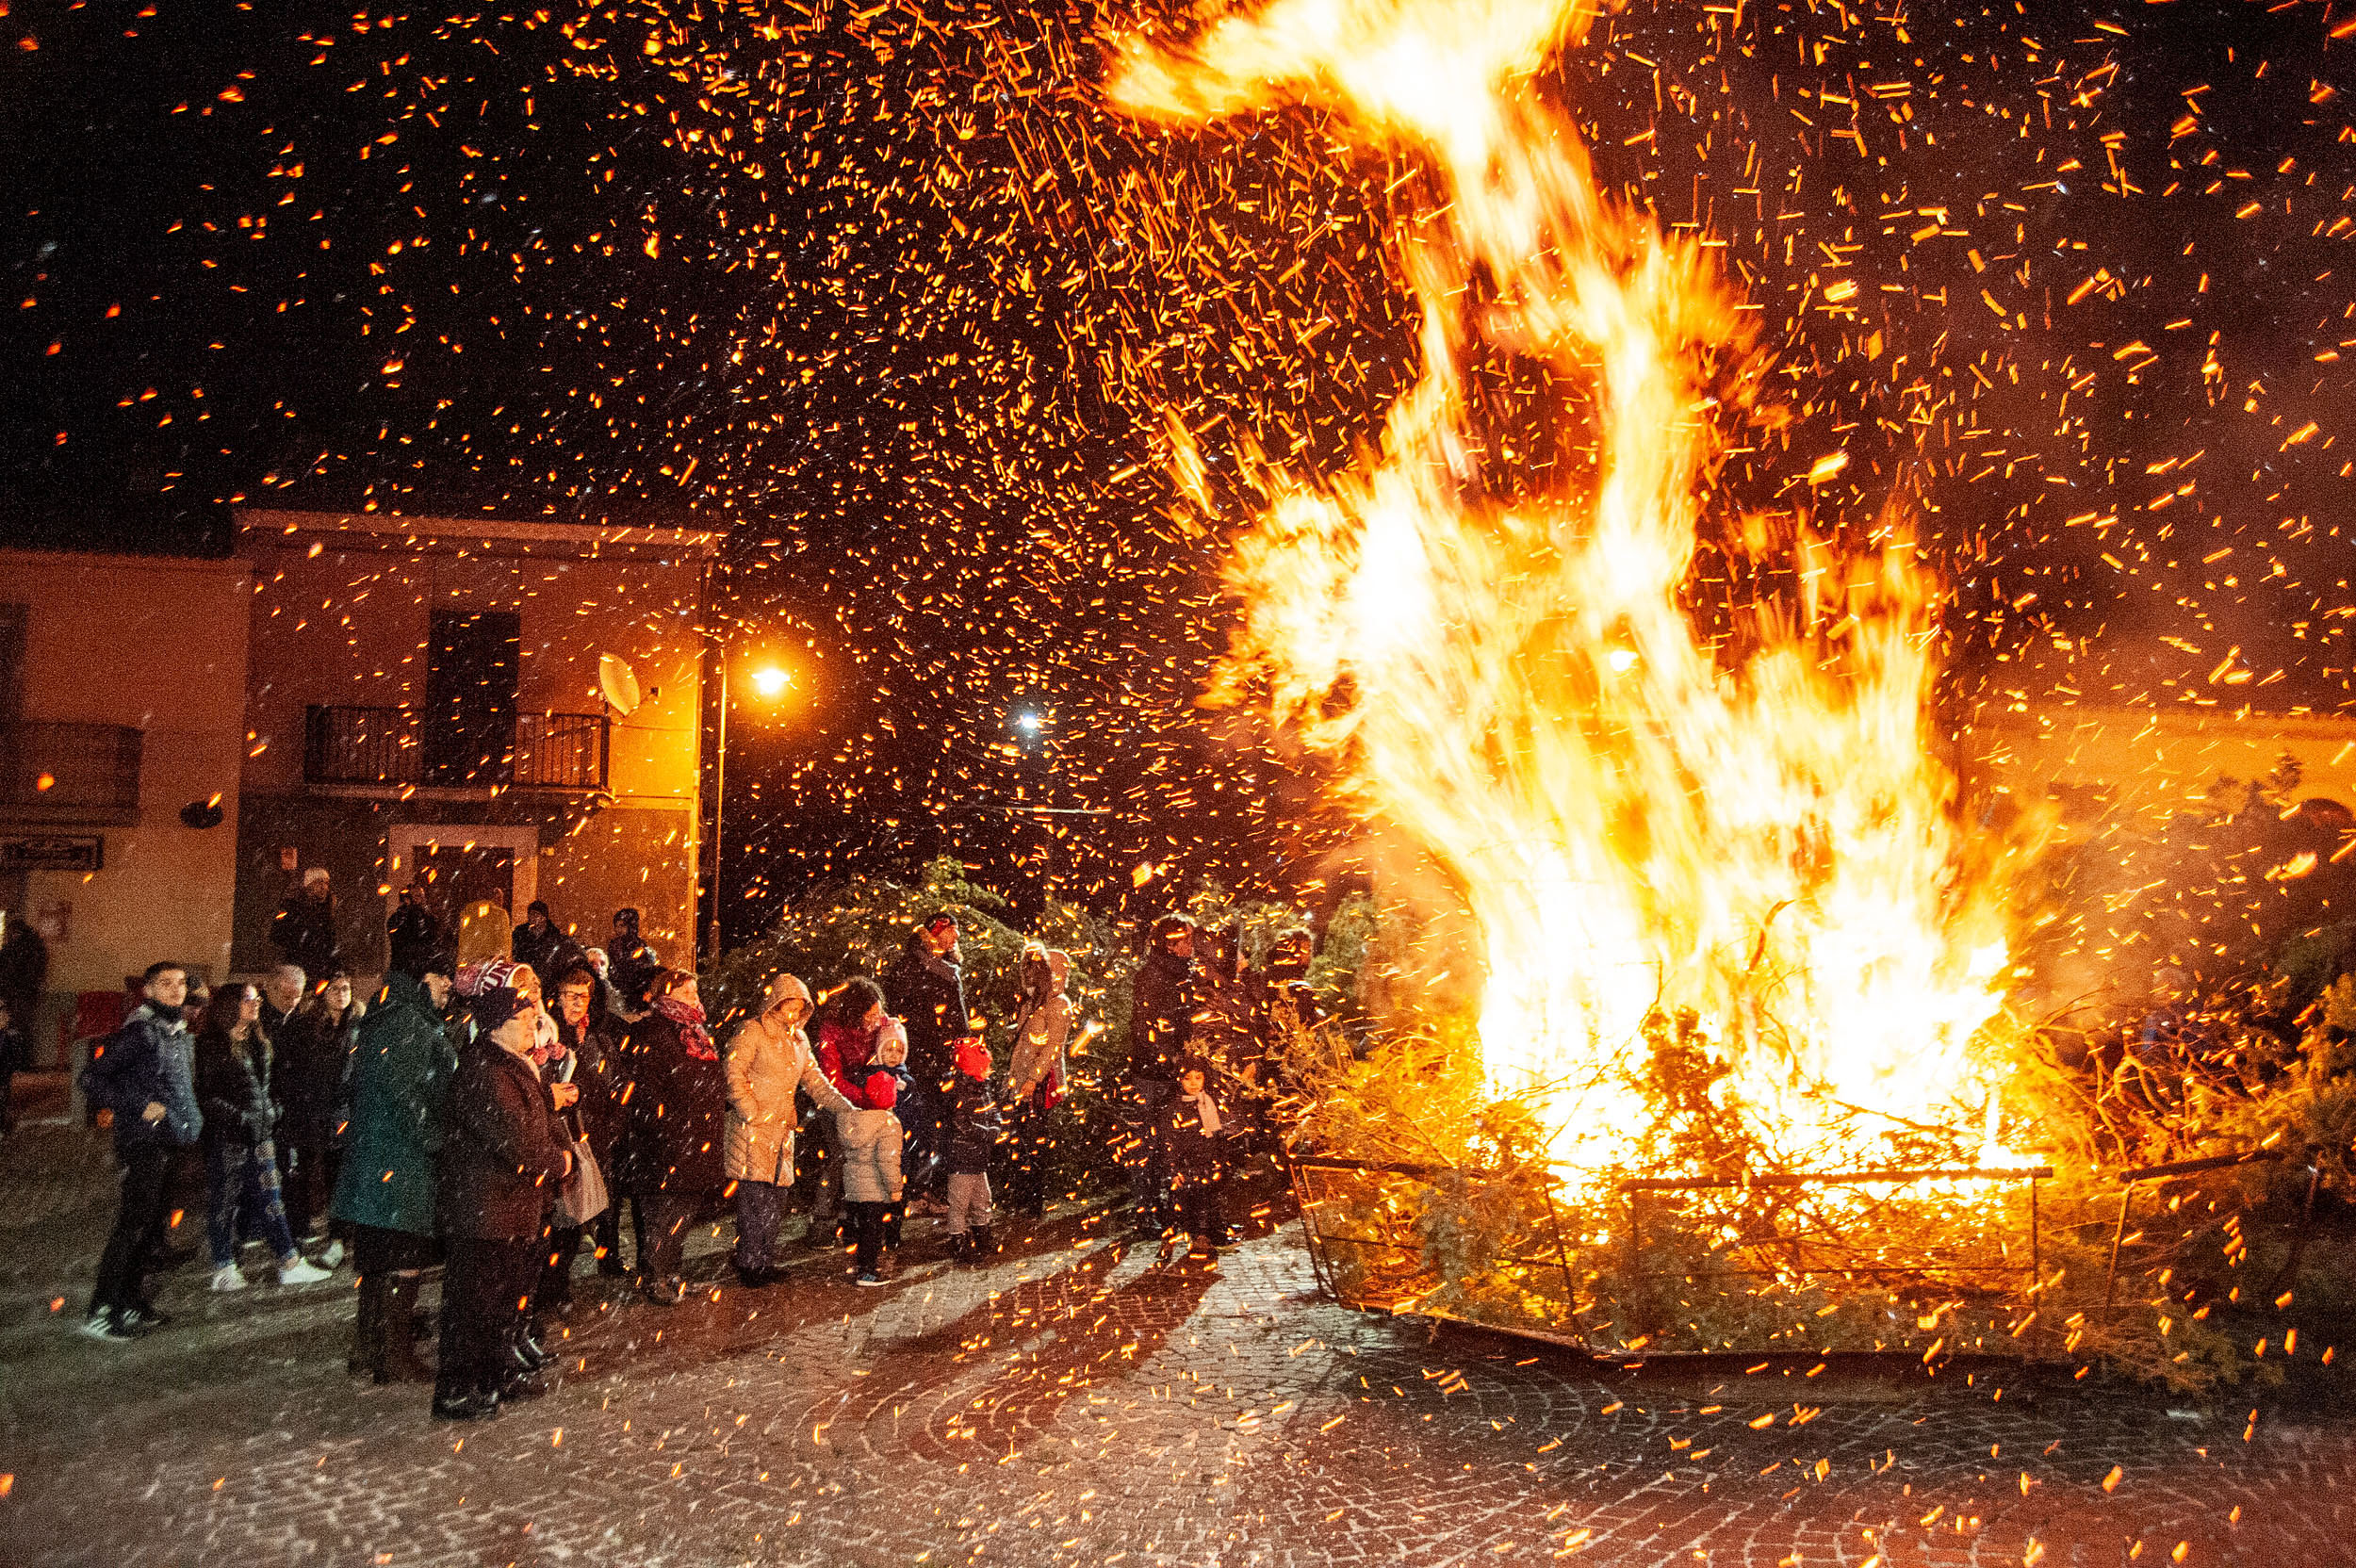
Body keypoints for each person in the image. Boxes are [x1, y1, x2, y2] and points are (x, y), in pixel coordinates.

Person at [434, 984, 571, 1421]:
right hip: (484, 1209)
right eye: (523, 1015)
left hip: (510, 1207)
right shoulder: (485, 1070)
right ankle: (458, 1389)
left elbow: (534, 1122)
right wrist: (559, 1161)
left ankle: (496, 1376)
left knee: (502, 1300)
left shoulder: (513, 1064)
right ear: (499, 1026)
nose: (535, 1020)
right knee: (473, 1304)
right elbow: (515, 1140)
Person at [332, 948, 456, 1384]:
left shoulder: (384, 1017)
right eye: (444, 978)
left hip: (374, 1163)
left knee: (376, 1259)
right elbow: (411, 1100)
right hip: (400, 1164)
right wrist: (439, 1140)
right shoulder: (410, 1024)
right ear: (425, 978)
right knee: (404, 1259)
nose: (449, 988)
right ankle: (394, 1357)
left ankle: (368, 1350)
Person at [79, 961, 203, 1339]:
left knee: (151, 1229)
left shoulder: (178, 1032)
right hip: (142, 1142)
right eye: (164, 984)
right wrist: (137, 1104)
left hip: (169, 1141)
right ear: (147, 991)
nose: (175, 989)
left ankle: (130, 1302)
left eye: (180, 983)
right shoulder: (140, 1033)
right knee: (132, 1227)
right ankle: (101, 1310)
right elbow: (92, 1078)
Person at [194, 984, 334, 1294]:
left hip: (263, 1134)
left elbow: (266, 1086)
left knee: (272, 1201)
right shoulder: (213, 1044)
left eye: (257, 998)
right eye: (248, 999)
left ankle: (289, 1263)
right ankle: (223, 1266)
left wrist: (273, 1110)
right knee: (225, 1202)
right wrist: (241, 1118)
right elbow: (207, 1095)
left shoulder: (259, 1040)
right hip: (227, 1138)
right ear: (230, 1005)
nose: (255, 1003)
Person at [725, 973, 853, 1285]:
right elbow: (733, 1074)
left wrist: (847, 1107)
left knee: (777, 1199)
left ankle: (763, 1260)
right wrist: (751, 1112)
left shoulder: (799, 1041)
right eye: (788, 1008)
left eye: (799, 1009)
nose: (794, 1015)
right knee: (755, 1197)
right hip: (753, 1129)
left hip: (781, 1130)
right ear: (775, 1006)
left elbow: (815, 1081)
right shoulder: (752, 1032)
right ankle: (750, 1264)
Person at [622, 969, 725, 1305]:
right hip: (665, 1140)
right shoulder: (653, 1031)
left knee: (683, 1211)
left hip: (696, 1135)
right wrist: (667, 1127)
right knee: (661, 1212)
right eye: (686, 992)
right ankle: (654, 1276)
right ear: (667, 996)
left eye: (695, 990)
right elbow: (647, 1088)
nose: (695, 997)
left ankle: (673, 1272)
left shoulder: (695, 1031)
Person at [547, 962, 628, 1291]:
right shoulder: (550, 1039)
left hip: (600, 1135)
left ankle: (608, 1258)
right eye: (571, 995)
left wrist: (615, 1120)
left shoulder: (599, 1039)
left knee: (606, 1202)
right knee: (567, 1216)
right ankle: (555, 1282)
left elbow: (617, 1084)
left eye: (584, 995)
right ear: (559, 996)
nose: (578, 1002)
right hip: (568, 1136)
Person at [884, 911, 973, 1210]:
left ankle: (917, 1190)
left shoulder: (921, 966)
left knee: (925, 1126)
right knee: (925, 1126)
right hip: (924, 1061)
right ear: (935, 933)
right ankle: (919, 1191)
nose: (956, 937)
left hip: (923, 1060)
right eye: (951, 931)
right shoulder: (929, 971)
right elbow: (957, 1023)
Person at [1125, 914, 1199, 1236]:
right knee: (1148, 1145)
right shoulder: (1153, 975)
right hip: (1151, 1074)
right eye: (1189, 940)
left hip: (1173, 1072)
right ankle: (1145, 1213)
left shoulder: (1184, 974)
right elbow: (1143, 1027)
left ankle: (1170, 1208)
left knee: (1174, 1144)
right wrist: (1168, 1059)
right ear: (1173, 942)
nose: (1193, 947)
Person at [284, 972, 363, 1265]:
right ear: (323, 993)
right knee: (304, 1172)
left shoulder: (357, 1025)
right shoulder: (308, 1026)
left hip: (342, 1111)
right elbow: (298, 1067)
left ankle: (339, 1238)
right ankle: (300, 1230)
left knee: (338, 1176)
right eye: (335, 989)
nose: (342, 994)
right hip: (312, 1109)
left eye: (346, 988)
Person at [809, 976, 892, 1248]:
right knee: (838, 1158)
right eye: (870, 1014)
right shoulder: (831, 1031)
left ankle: (852, 1218)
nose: (876, 1019)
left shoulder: (880, 1024)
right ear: (855, 1013)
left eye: (878, 1012)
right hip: (835, 1101)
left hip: (867, 1100)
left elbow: (894, 1040)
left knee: (864, 1159)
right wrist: (862, 1098)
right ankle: (821, 1221)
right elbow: (832, 1078)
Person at [1006, 944, 1071, 1219]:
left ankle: (1033, 1200)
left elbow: (1054, 1046)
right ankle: (1020, 1196)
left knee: (1035, 1140)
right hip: (1021, 1078)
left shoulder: (1058, 1004)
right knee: (1019, 1140)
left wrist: (1034, 1079)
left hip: (1040, 1082)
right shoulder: (1032, 1000)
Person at [834, 1064, 904, 1286]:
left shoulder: (852, 1120)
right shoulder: (889, 1124)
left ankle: (857, 1260)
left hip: (854, 1186)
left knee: (859, 1225)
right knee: (872, 1232)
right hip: (874, 1189)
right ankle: (867, 1272)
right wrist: (895, 1188)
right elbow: (888, 1160)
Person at [1157, 1056, 1230, 1266]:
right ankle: (1168, 1239)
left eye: (1198, 1078)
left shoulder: (1208, 1103)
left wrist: (1218, 1160)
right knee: (1177, 1202)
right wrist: (1172, 1169)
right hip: (1182, 1164)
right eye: (1188, 1078)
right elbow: (1167, 1141)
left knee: (1202, 1199)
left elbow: (1216, 1135)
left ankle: (1201, 1238)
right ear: (1180, 1081)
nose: (1194, 1083)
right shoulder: (1173, 1109)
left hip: (1204, 1162)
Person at [943, 1037, 1000, 1265]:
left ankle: (982, 1233)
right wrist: (986, 1133)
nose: (989, 1070)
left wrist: (996, 1124)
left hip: (978, 1158)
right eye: (985, 1066)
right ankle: (957, 1240)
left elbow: (992, 1110)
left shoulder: (982, 1088)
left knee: (982, 1198)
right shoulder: (959, 1091)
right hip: (962, 1158)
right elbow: (961, 1123)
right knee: (959, 1203)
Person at [271, 868, 342, 978]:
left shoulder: (328, 912)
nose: (324, 887)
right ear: (308, 886)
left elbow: (332, 943)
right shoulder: (293, 908)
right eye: (319, 882)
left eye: (326, 883)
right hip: (298, 971)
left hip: (322, 973)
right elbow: (278, 936)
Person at [0, 911, 49, 1054]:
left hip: (17, 993)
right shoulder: (34, 946)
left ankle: (17, 1059)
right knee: (20, 1028)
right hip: (25, 994)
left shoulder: (16, 949)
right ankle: (22, 1059)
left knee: (15, 1027)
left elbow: (9, 970)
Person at [606, 907, 662, 1006]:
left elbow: (645, 970)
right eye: (616, 926)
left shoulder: (640, 945)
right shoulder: (614, 945)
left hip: (636, 991)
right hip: (620, 989)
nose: (618, 930)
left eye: (622, 926)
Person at [388, 884, 444, 976]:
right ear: (407, 900)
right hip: (405, 972)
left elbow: (434, 942)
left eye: (423, 896)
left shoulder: (428, 918)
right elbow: (405, 942)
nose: (422, 900)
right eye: (418, 896)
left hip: (424, 971)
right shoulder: (398, 919)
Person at [511, 900, 565, 979]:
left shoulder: (553, 934)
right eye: (530, 914)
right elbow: (515, 951)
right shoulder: (520, 932)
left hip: (545, 976)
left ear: (544, 918)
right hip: (524, 973)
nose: (531, 917)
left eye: (536, 914)